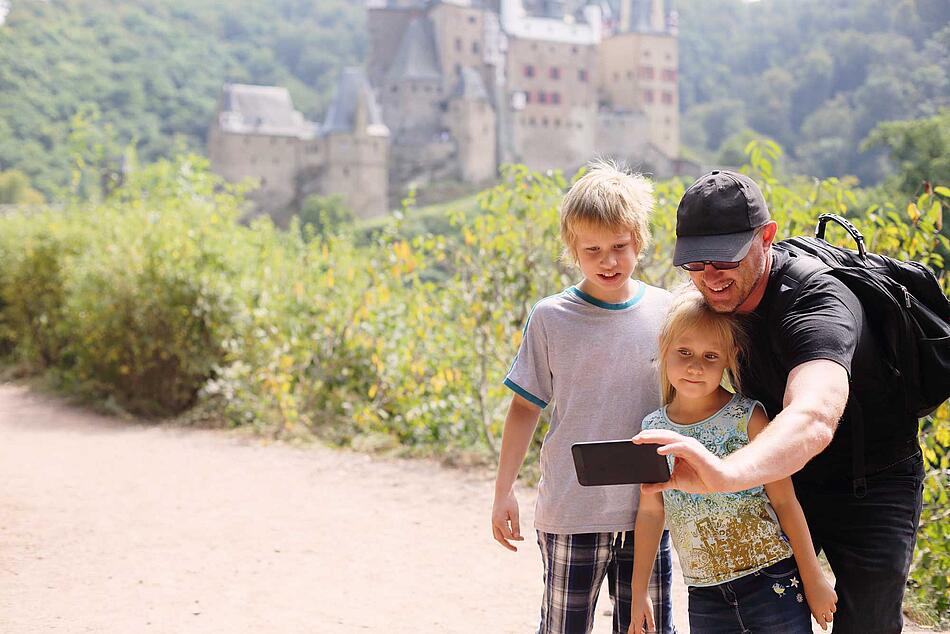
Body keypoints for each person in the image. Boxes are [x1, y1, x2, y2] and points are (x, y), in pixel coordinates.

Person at [634, 170, 926, 633]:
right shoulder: (715, 296)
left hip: (871, 481)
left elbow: (812, 414)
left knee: (866, 621)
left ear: (765, 237)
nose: (709, 276)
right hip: (783, 480)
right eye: (695, 262)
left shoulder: (819, 302)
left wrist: (726, 473)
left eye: (725, 259)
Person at [491, 160, 676, 634]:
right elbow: (524, 407)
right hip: (571, 508)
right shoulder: (551, 317)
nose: (609, 261)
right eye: (593, 249)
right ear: (573, 249)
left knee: (649, 628)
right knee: (563, 626)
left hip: (650, 507)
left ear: (640, 240)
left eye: (619, 247)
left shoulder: (670, 311)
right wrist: (503, 491)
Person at [629, 287, 837, 633]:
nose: (696, 366)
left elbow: (784, 501)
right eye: (685, 352)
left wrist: (814, 579)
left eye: (711, 356)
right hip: (704, 593)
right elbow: (651, 512)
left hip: (772, 580)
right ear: (664, 347)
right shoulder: (653, 429)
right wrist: (639, 593)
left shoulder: (748, 417)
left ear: (730, 357)